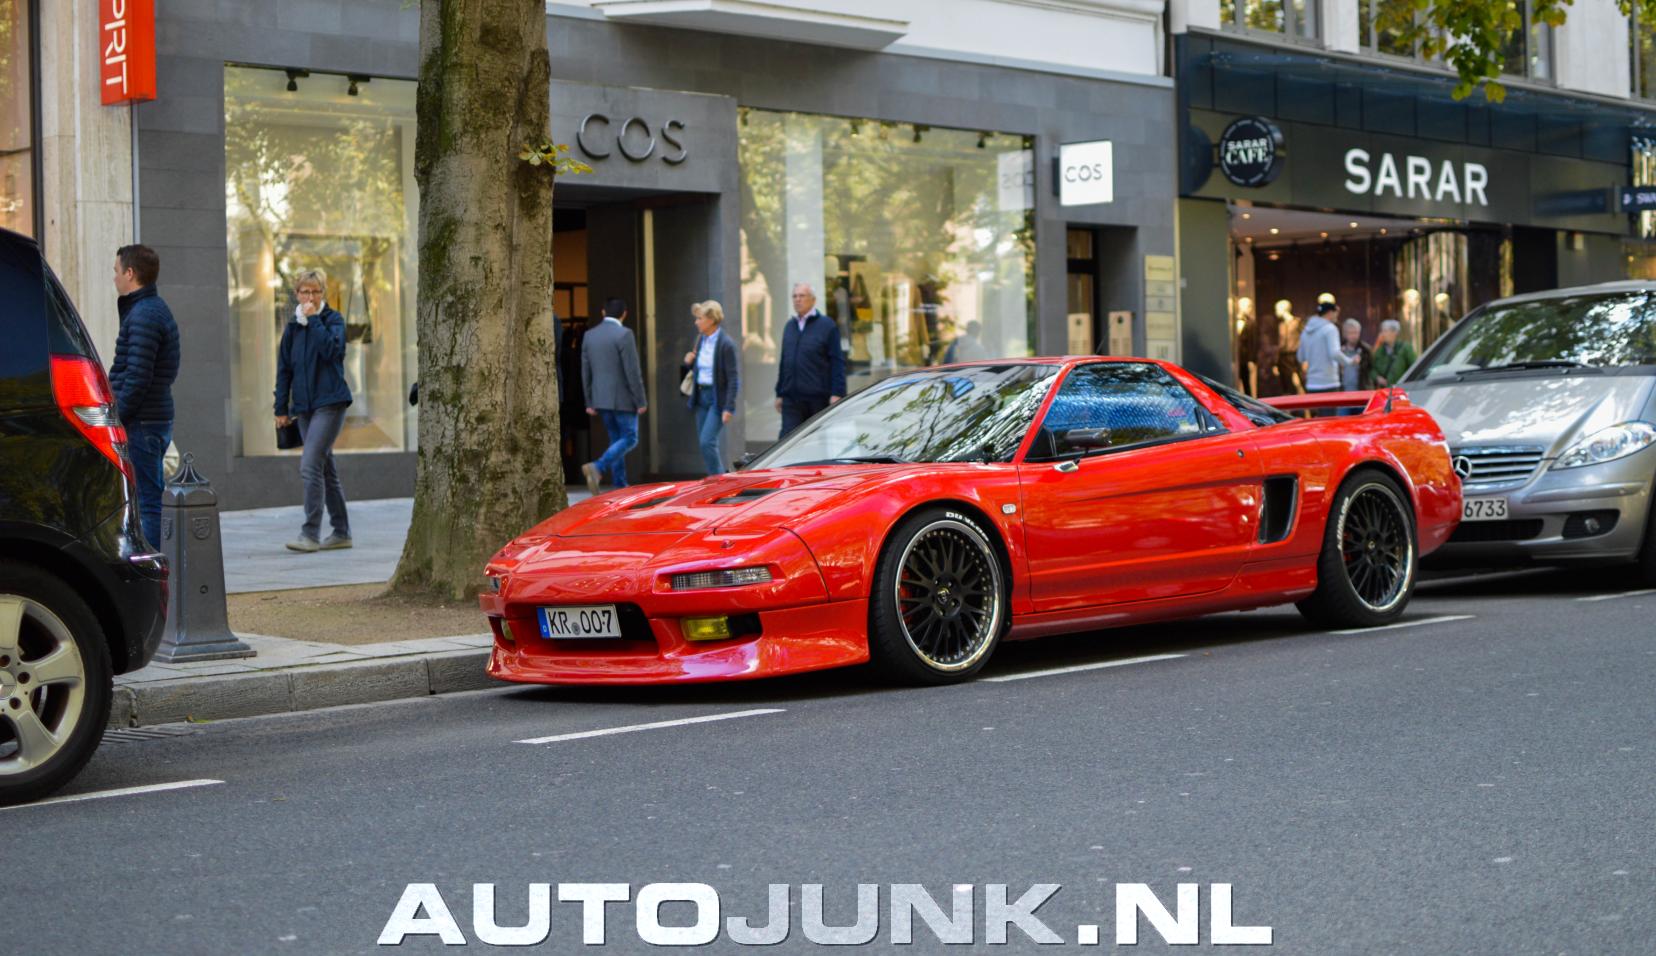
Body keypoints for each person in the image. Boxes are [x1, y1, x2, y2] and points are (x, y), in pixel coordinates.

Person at [274, 269, 353, 552]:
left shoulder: (332, 320)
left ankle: (309, 534)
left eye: (315, 291)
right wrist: (281, 408)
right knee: (325, 469)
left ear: (323, 294)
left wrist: (315, 320)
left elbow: (333, 351)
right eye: (305, 292)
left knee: (309, 466)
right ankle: (342, 532)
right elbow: (284, 370)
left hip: (330, 404)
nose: (310, 297)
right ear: (297, 294)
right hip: (304, 409)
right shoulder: (292, 328)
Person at [108, 244, 180, 549]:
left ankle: (151, 571)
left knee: (148, 503)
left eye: (116, 271)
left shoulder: (144, 315)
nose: (114, 277)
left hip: (143, 422)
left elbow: (137, 377)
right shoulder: (149, 309)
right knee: (146, 499)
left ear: (130, 273)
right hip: (150, 419)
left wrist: (116, 418)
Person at [581, 297, 648, 493]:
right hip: (624, 398)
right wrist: (640, 400)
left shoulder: (589, 335)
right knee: (630, 438)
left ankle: (620, 483)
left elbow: (585, 371)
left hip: (600, 398)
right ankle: (598, 467)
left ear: (603, 312)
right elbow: (632, 371)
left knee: (615, 439)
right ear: (624, 314)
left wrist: (589, 401)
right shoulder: (624, 334)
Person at [774, 282, 845, 438]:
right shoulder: (790, 326)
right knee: (787, 441)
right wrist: (779, 393)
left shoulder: (827, 326)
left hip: (817, 399)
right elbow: (784, 362)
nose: (797, 299)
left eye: (802, 296)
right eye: (794, 296)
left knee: (816, 441)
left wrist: (837, 393)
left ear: (813, 300)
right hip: (791, 399)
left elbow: (837, 362)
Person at [681, 300, 740, 475]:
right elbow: (700, 370)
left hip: (717, 398)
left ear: (711, 320)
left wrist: (729, 407)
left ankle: (719, 480)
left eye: (699, 318)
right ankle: (716, 478)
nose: (696, 322)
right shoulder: (700, 340)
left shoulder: (726, 344)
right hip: (701, 396)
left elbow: (733, 378)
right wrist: (689, 363)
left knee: (707, 441)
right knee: (705, 443)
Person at [1297, 301, 1350, 415]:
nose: (1337, 317)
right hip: (1329, 383)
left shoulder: (1306, 331)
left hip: (1311, 384)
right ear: (1330, 313)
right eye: (1336, 313)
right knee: (1329, 421)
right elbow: (1334, 353)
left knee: (1316, 421)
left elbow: (1301, 357)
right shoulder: (1330, 329)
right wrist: (1350, 361)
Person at [1338, 317, 1375, 415]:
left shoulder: (1366, 350)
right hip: (1343, 396)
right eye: (1351, 333)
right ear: (1345, 334)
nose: (1354, 336)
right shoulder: (1339, 350)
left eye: (1356, 333)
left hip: (1361, 395)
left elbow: (1371, 370)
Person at [1372, 318, 1418, 387]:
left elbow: (1414, 367)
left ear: (1394, 332)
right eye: (1382, 331)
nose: (1382, 334)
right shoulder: (1380, 350)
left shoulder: (1405, 348)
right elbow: (1372, 369)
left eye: (1385, 331)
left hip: (1401, 389)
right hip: (1385, 390)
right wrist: (1377, 377)